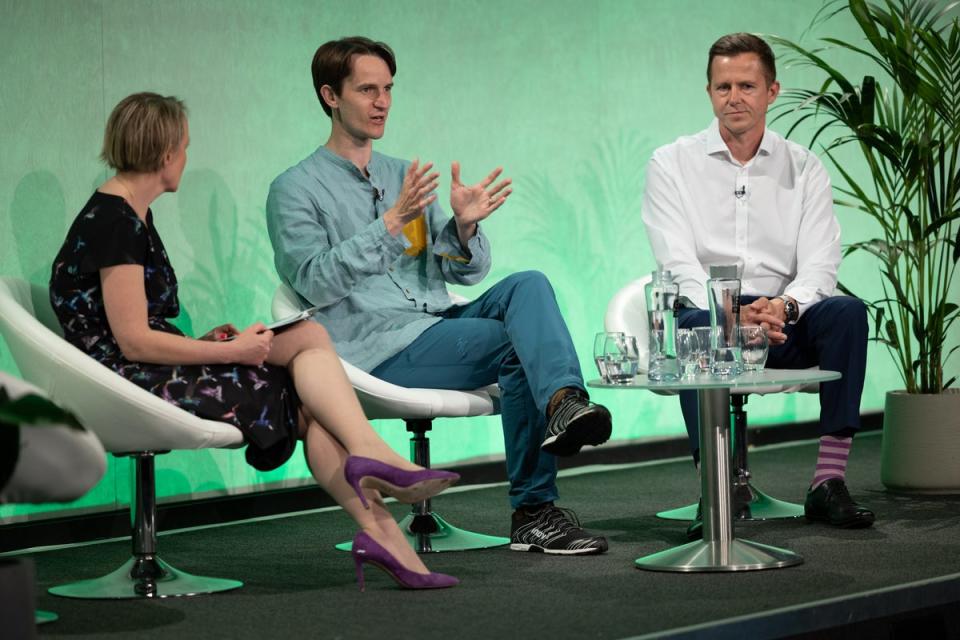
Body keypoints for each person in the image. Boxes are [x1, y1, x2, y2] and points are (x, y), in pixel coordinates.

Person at [49, 92, 461, 590]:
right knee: (303, 360)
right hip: (120, 380)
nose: (186, 156)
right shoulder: (115, 221)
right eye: (185, 146)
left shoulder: (129, 213)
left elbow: (130, 325)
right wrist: (228, 352)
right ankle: (373, 466)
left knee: (307, 363)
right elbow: (132, 344)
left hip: (136, 365)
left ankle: (385, 534)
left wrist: (208, 342)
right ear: (164, 155)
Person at [266, 37, 612, 555]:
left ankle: (565, 403)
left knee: (530, 283)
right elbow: (313, 282)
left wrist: (464, 230)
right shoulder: (294, 188)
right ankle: (534, 512)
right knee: (518, 349)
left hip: (438, 319)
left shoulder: (401, 173)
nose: (382, 101)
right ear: (330, 96)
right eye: (367, 89)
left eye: (387, 89)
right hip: (377, 347)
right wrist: (390, 224)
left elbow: (458, 274)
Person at [640, 33, 875, 538]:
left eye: (747, 85)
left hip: (781, 319)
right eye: (723, 86)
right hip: (710, 316)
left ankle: (828, 481)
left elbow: (820, 263)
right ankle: (714, 488)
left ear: (772, 91)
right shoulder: (670, 164)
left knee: (848, 314)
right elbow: (676, 259)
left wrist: (785, 307)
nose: (734, 97)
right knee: (695, 328)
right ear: (709, 93)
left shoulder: (804, 168)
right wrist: (731, 314)